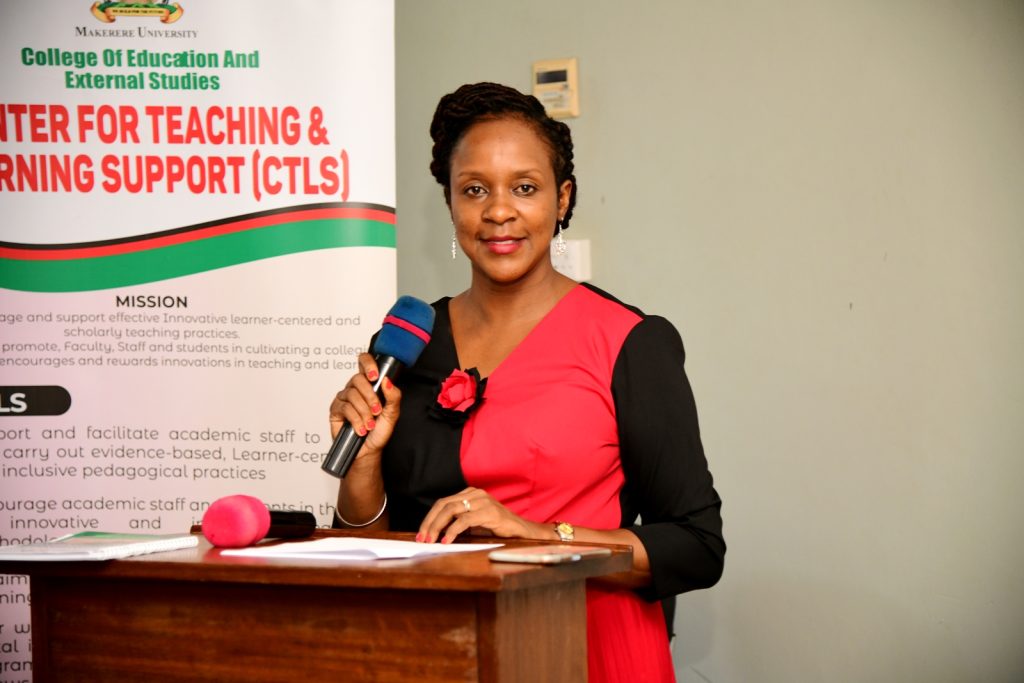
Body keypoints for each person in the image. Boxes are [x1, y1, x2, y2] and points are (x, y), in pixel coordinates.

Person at [329, 82, 724, 683]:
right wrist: (363, 467)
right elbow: (374, 552)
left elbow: (697, 545)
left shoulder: (629, 343)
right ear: (451, 204)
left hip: (586, 651)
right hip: (436, 652)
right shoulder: (414, 340)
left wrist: (541, 537)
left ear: (561, 200)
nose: (498, 211)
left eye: (525, 187)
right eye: (474, 190)